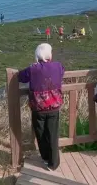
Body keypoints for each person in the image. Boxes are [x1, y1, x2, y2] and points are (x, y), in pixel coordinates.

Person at [18, 43, 64, 171]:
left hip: (38, 108)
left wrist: (33, 66)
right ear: (49, 55)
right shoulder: (58, 66)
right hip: (54, 107)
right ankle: (53, 163)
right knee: (53, 134)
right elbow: (62, 72)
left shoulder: (33, 69)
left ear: (38, 55)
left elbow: (20, 77)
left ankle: (45, 157)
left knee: (41, 133)